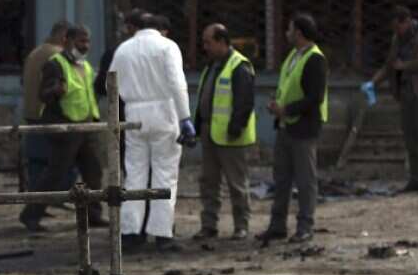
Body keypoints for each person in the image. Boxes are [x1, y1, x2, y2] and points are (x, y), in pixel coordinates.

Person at [111, 14, 194, 253]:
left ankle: (130, 233)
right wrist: (185, 117)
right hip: (164, 112)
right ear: (160, 29)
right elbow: (177, 84)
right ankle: (161, 233)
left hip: (133, 113)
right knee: (165, 175)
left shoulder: (123, 49)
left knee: (134, 173)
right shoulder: (167, 47)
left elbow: (110, 83)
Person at [18, 24, 105, 231]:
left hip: (85, 127)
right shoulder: (55, 64)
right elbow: (43, 94)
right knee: (54, 174)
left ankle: (93, 214)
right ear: (67, 40)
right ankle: (31, 215)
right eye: (80, 41)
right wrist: (56, 89)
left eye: (87, 42)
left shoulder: (85, 66)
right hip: (65, 129)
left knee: (94, 172)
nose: (85, 46)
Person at [259, 13, 328, 245]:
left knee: (305, 180)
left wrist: (286, 109)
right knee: (282, 179)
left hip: (303, 128)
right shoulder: (293, 57)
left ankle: (305, 226)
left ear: (298, 33)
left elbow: (314, 98)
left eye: (289, 29)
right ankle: (277, 225)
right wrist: (277, 107)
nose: (286, 33)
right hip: (286, 126)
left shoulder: (315, 59)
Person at [364, 6, 418, 194]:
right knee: (410, 138)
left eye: (398, 27)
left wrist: (403, 65)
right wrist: (372, 83)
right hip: (405, 94)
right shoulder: (397, 39)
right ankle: (416, 180)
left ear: (406, 21)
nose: (396, 31)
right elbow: (389, 65)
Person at [192, 24, 256, 241]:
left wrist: (235, 128)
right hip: (211, 133)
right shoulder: (212, 66)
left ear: (221, 41)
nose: (205, 47)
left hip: (231, 137)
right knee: (209, 182)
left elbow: (245, 102)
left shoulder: (239, 66)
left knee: (236, 184)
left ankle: (241, 226)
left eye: (208, 42)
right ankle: (209, 225)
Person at [21, 20, 70, 190]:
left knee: (36, 160)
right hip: (49, 114)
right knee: (58, 160)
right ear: (63, 36)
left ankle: (36, 197)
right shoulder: (59, 55)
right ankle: (53, 196)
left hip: (31, 112)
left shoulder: (35, 52)